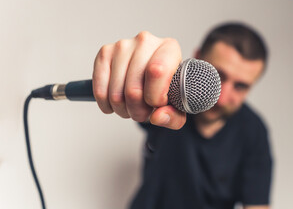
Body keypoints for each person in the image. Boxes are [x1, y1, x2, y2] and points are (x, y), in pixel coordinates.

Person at [92, 22, 273, 209]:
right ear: (198, 59)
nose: (221, 98)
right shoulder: (169, 98)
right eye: (218, 76)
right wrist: (139, 70)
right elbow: (140, 88)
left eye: (240, 86)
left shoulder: (254, 131)